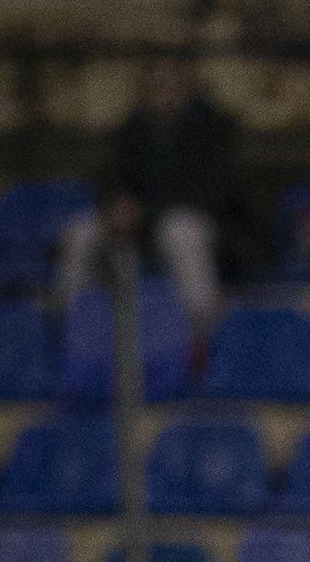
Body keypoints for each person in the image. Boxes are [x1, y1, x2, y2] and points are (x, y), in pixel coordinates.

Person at [58, 46, 240, 341]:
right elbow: (112, 178)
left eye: (174, 83)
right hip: (139, 226)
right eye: (157, 84)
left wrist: (145, 211)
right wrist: (116, 206)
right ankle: (70, 333)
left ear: (190, 84)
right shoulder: (132, 129)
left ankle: (203, 337)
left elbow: (211, 194)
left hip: (204, 227)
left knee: (179, 231)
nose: (165, 92)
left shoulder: (216, 128)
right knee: (80, 232)